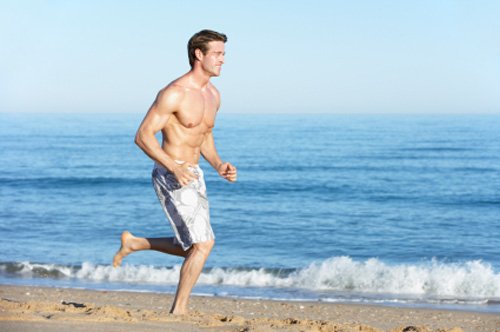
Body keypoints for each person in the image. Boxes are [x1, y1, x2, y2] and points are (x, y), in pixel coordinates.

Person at [112, 29, 237, 315]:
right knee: (204, 244)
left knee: (193, 246)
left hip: (194, 173)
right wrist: (172, 167)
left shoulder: (213, 95)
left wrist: (218, 164)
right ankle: (178, 310)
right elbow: (143, 136)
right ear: (199, 54)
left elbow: (203, 134)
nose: (223, 60)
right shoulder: (174, 93)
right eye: (217, 54)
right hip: (172, 174)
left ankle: (135, 243)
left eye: (223, 55)